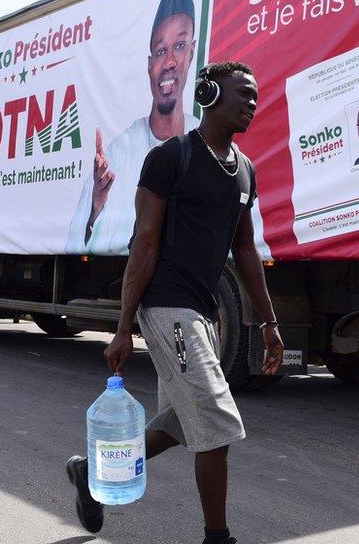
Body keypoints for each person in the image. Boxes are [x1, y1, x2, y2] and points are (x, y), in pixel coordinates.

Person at [66, 62, 284, 544]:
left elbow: (245, 249)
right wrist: (124, 326)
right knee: (218, 421)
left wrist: (268, 322)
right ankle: (217, 537)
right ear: (208, 94)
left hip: (202, 312)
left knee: (184, 421)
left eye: (256, 96)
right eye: (242, 93)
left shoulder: (244, 171)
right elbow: (144, 242)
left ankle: (90, 476)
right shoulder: (171, 158)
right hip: (167, 306)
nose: (252, 103)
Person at [66, 0, 199, 254]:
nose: (170, 62)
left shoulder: (206, 146)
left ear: (192, 52)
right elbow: (76, 243)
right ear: (150, 64)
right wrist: (97, 203)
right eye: (161, 51)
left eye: (180, 46)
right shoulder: (119, 154)